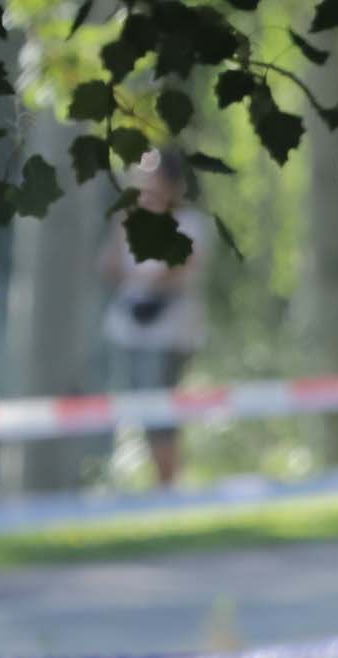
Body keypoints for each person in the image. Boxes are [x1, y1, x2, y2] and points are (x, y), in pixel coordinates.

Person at [99, 150, 208, 490]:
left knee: (161, 413)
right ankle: (155, 484)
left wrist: (144, 286)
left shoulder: (190, 224)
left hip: (169, 330)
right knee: (139, 411)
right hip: (129, 331)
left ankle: (169, 485)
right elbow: (108, 268)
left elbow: (181, 271)